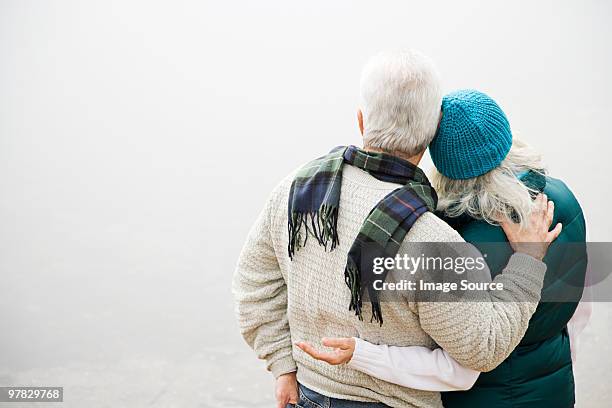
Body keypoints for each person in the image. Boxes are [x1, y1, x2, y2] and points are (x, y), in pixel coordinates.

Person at [232, 51, 561, 408]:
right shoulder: (432, 240)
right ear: (431, 135)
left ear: (361, 120)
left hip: (309, 394)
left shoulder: (296, 190)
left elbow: (253, 288)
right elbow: (483, 348)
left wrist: (283, 366)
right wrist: (528, 259)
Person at [298, 89, 588, 408]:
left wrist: (362, 354)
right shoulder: (562, 201)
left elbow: (456, 370)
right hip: (556, 389)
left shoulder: (452, 241)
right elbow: (580, 308)